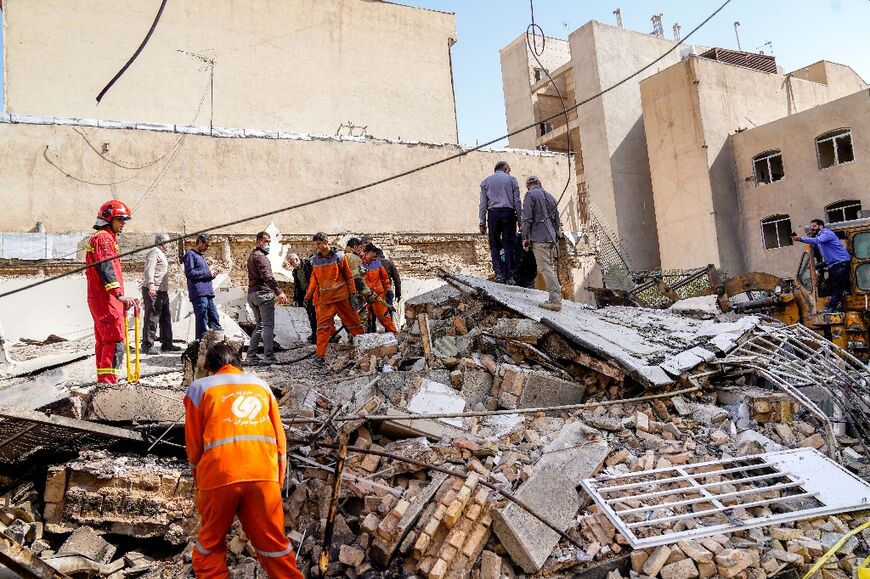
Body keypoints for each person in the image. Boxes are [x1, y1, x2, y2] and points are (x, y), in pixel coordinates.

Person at [184, 343, 303, 578]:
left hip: (219, 476)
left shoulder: (199, 389)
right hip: (263, 476)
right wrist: (276, 480)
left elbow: (194, 446)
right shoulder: (261, 386)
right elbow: (280, 440)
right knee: (274, 546)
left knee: (210, 546)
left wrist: (200, 480)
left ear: (210, 368)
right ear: (239, 364)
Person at [86, 200, 137, 384]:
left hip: (102, 298)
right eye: (120, 219)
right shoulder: (104, 239)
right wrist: (118, 294)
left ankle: (103, 381)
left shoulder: (104, 238)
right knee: (114, 340)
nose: (123, 223)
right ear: (109, 218)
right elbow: (105, 268)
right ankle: (109, 383)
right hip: (107, 300)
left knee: (104, 340)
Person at [304, 233, 365, 366]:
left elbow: (349, 276)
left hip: (342, 298)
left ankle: (366, 350)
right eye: (315, 244)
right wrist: (308, 296)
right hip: (326, 301)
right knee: (323, 329)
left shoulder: (339, 257)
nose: (317, 247)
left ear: (326, 242)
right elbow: (314, 280)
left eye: (319, 243)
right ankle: (319, 356)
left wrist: (353, 294)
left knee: (354, 324)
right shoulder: (315, 260)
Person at [791, 219, 852, 312]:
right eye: (811, 227)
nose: (812, 228)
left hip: (840, 263)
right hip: (834, 265)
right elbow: (817, 249)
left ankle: (832, 307)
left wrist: (800, 239)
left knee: (837, 285)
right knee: (828, 285)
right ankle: (835, 304)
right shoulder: (821, 238)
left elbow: (816, 241)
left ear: (821, 226)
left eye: (814, 226)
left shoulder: (826, 234)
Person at [246, 232, 289, 363]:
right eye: (266, 241)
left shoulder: (252, 256)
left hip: (252, 294)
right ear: (258, 242)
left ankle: (251, 355)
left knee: (259, 325)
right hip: (263, 294)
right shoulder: (261, 257)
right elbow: (268, 277)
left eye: (269, 242)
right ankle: (269, 356)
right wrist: (279, 292)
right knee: (268, 325)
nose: (268, 244)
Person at [521, 176, 562, 312]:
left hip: (539, 237)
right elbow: (557, 221)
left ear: (528, 185)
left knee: (545, 269)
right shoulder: (550, 197)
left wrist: (525, 237)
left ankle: (555, 300)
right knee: (549, 267)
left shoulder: (530, 195)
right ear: (540, 184)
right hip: (551, 237)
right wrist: (556, 237)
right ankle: (554, 298)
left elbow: (527, 219)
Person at [480, 161, 522, 284]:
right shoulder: (512, 180)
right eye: (509, 170)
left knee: (494, 244)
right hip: (508, 213)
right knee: (509, 244)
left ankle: (498, 273)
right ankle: (509, 275)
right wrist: (520, 219)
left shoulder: (486, 182)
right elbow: (517, 202)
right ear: (505, 169)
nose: (510, 172)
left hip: (493, 214)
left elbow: (483, 204)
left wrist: (482, 222)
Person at [141, 232, 179, 355]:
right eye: (168, 242)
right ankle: (147, 345)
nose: (169, 245)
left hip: (163, 291)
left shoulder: (162, 254)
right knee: (152, 317)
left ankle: (167, 344)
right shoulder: (154, 252)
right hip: (154, 289)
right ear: (162, 242)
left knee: (165, 318)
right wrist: (151, 284)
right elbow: (149, 269)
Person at [183, 234, 223, 340]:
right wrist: (208, 273)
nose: (207, 248)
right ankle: (200, 345)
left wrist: (212, 275)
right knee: (202, 319)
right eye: (206, 245)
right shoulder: (190, 255)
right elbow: (190, 273)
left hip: (207, 293)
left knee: (214, 318)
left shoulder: (200, 256)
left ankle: (217, 345)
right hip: (199, 292)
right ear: (199, 242)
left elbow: (204, 274)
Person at [360, 243, 398, 334]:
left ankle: (394, 333)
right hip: (366, 296)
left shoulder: (377, 263)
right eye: (373, 253)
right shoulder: (360, 264)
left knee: (383, 316)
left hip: (378, 295)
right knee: (365, 318)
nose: (375, 256)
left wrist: (388, 289)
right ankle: (366, 337)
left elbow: (385, 277)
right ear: (367, 252)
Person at [360, 235, 401, 307]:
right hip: (385, 291)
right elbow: (397, 279)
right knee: (387, 311)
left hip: (371, 292)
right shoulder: (388, 262)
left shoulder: (365, 261)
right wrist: (398, 293)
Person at [288, 253, 317, 344]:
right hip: (305, 295)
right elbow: (297, 286)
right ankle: (314, 334)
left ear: (297, 259)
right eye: (291, 263)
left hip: (314, 292)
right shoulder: (295, 271)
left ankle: (318, 334)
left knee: (316, 314)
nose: (292, 265)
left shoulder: (308, 265)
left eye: (293, 262)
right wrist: (295, 299)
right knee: (310, 314)